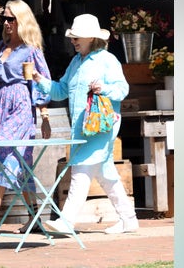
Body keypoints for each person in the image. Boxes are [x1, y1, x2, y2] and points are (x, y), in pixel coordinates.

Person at [31, 14, 138, 234]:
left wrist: (104, 89)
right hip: (82, 128)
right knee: (106, 174)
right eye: (72, 37)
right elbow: (61, 90)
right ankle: (129, 219)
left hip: (101, 126)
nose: (73, 41)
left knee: (80, 170)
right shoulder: (75, 62)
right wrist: (39, 80)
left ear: (91, 38)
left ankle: (67, 220)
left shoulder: (107, 60)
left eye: (77, 37)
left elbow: (122, 90)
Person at [0, 0, 52, 234]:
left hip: (21, 105)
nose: (7, 23)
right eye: (5, 19)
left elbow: (43, 82)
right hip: (4, 104)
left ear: (22, 20)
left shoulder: (31, 50)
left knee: (1, 151)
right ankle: (34, 218)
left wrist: (45, 115)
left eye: (11, 18)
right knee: (23, 163)